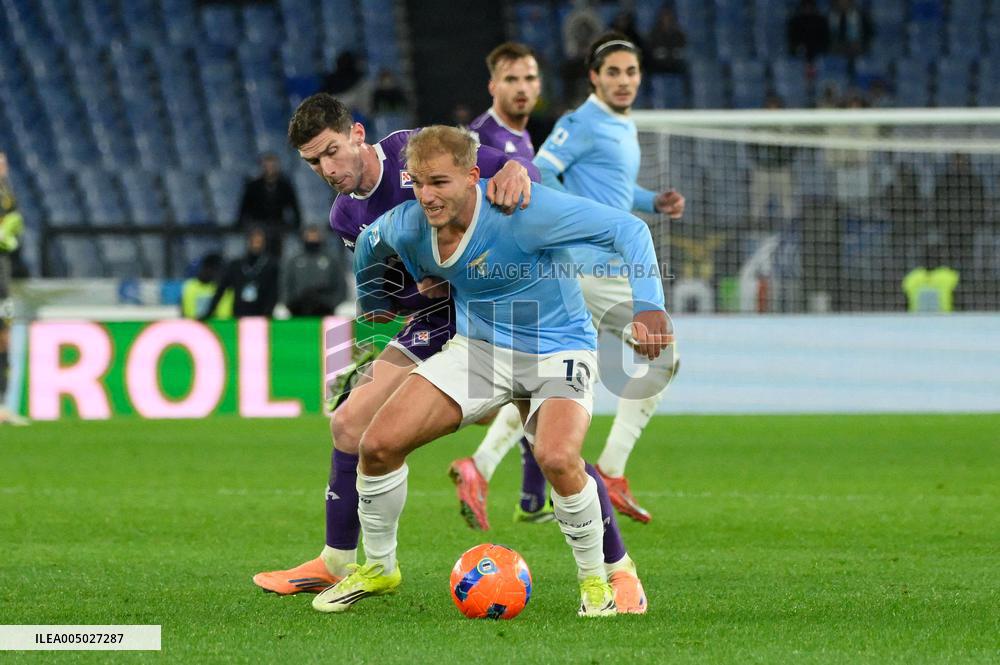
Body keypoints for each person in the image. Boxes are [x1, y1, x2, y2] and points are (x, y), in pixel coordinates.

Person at [254, 94, 646, 614]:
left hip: (499, 311)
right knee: (350, 424)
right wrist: (394, 309)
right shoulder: (346, 215)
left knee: (552, 447)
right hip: (438, 320)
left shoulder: (411, 154)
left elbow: (502, 171)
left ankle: (617, 570)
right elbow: (389, 288)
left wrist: (517, 169)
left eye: (331, 152)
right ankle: (338, 560)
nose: (327, 169)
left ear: (357, 135)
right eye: (313, 162)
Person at [532, 32, 685, 523]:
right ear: (594, 77)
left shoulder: (619, 123)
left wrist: (651, 201)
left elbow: (611, 189)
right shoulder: (581, 122)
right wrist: (575, 223)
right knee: (663, 355)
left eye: (631, 72)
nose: (624, 81)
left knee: (563, 369)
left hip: (591, 263)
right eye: (613, 72)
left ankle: (483, 463)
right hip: (592, 264)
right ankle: (611, 471)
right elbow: (539, 171)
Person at [458, 42, 550, 524]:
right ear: (493, 85)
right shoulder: (480, 140)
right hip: (497, 283)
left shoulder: (521, 138)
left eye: (529, 78)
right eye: (512, 79)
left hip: (520, 279)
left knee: (536, 389)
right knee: (542, 383)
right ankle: (480, 466)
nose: (522, 88)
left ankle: (533, 500)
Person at [0, 151, 27, 426]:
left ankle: (1, 405)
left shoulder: (7, 192)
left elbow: (16, 221)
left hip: (2, 277)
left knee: (4, 336)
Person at [200, 226, 279, 319]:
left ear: (264, 243)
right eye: (254, 241)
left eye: (259, 242)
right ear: (248, 241)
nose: (256, 245)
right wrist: (209, 313)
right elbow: (221, 290)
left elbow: (273, 293)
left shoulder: (271, 266)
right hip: (239, 316)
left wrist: (267, 315)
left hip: (261, 316)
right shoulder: (236, 265)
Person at [238, 153, 302, 258]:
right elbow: (244, 206)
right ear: (262, 167)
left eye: (272, 165)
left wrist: (297, 222)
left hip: (278, 223)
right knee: (257, 245)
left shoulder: (285, 186)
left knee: (277, 250)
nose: (270, 168)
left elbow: (294, 205)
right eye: (267, 165)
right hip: (258, 223)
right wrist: (241, 222)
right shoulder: (253, 186)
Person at [281, 224, 347, 316]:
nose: (312, 238)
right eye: (309, 234)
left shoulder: (331, 260)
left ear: (321, 236)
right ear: (303, 236)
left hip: (325, 310)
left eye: (315, 235)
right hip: (298, 310)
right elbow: (285, 285)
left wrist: (331, 304)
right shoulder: (294, 261)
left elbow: (340, 286)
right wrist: (289, 303)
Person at [181, 252, 233, 319]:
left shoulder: (224, 288)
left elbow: (225, 316)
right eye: (217, 271)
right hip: (197, 324)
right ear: (207, 268)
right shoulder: (190, 286)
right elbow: (190, 315)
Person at [646, 7, 688, 75]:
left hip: (675, 65)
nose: (667, 20)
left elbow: (681, 50)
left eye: (669, 18)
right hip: (657, 65)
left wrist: (672, 53)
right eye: (665, 17)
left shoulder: (679, 35)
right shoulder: (654, 34)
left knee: (685, 68)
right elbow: (650, 51)